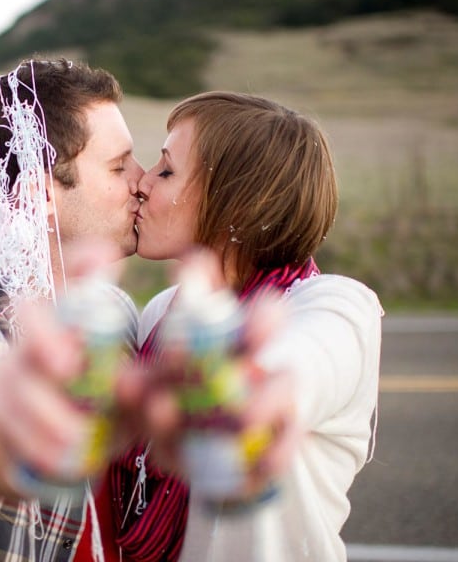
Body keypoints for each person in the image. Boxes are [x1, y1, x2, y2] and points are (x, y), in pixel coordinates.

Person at [0, 63, 296, 562]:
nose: (142, 183)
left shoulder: (116, 315)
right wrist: (18, 424)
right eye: (119, 166)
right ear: (42, 192)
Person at [89, 91, 383, 561]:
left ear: (235, 203)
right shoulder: (162, 311)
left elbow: (301, 367)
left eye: (166, 170)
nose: (141, 182)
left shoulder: (333, 305)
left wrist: (249, 392)